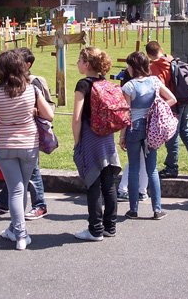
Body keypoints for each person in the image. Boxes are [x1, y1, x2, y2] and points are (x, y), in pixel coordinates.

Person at [0, 50, 54, 250]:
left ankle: (17, 231)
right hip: (28, 145)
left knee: (16, 190)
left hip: (4, 145)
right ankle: (19, 232)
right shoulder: (31, 90)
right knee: (21, 189)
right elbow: (49, 115)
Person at [72, 47, 121, 241]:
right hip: (107, 137)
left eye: (79, 60)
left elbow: (76, 117)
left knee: (92, 183)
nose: (77, 63)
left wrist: (77, 143)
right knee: (109, 185)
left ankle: (95, 229)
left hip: (90, 137)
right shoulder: (104, 82)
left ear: (87, 64)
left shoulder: (83, 84)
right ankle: (110, 227)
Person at [120, 51, 176, 220]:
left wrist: (122, 136)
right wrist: (157, 108)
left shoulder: (128, 87)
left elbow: (126, 113)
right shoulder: (155, 81)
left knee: (134, 168)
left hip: (134, 128)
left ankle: (133, 209)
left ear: (132, 67)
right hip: (152, 127)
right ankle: (157, 209)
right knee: (152, 169)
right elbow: (172, 99)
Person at [145, 41, 188, 179]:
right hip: (185, 98)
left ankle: (172, 167)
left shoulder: (155, 67)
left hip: (172, 103)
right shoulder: (172, 59)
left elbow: (159, 87)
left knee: (172, 134)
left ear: (149, 54)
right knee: (185, 131)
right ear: (161, 49)